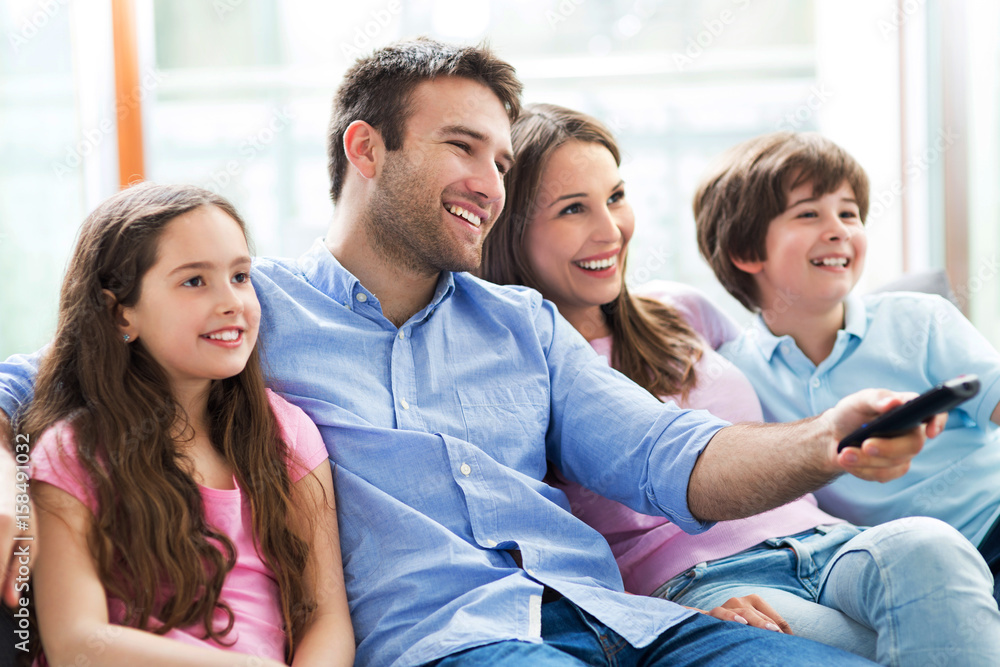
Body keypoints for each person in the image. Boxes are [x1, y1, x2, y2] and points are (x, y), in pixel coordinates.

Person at [0, 39, 946, 667]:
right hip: (459, 643)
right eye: (464, 147)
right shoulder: (251, 309)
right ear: (366, 148)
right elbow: (40, 374)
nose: (491, 182)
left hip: (626, 623)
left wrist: (824, 440)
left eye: (500, 159)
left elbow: (671, 455)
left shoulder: (524, 324)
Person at [478, 102, 1000, 664]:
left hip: (827, 541)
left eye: (616, 197)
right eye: (572, 209)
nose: (611, 230)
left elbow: (783, 345)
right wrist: (669, 619)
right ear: (511, 225)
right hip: (710, 584)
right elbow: (541, 547)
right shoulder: (516, 376)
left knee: (931, 547)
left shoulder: (681, 311)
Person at [19, 184, 354, 666]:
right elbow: (77, 642)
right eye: (194, 281)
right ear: (120, 316)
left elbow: (324, 618)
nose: (231, 302)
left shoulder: (287, 433)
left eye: (240, 276)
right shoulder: (72, 454)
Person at [694, 131, 1000, 601]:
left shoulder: (920, 319)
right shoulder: (734, 377)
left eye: (849, 212)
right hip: (902, 572)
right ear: (746, 251)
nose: (839, 228)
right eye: (809, 213)